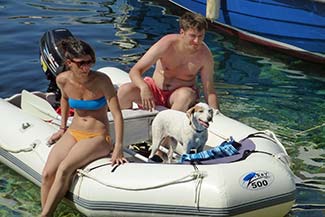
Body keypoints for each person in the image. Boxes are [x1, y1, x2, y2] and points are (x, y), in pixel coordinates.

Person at [40, 37, 127, 217]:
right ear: (69, 62)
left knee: (64, 168)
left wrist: (118, 147)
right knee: (48, 173)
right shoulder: (62, 80)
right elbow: (64, 99)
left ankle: (45, 215)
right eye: (81, 64)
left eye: (90, 62)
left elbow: (117, 114)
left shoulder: (102, 80)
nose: (86, 67)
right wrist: (62, 128)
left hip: (98, 136)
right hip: (74, 132)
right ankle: (45, 211)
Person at [117, 12, 219, 112]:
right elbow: (135, 71)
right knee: (124, 91)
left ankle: (169, 127)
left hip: (180, 96)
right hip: (156, 91)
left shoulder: (205, 55)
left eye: (200, 36)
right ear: (182, 33)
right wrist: (143, 88)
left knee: (185, 95)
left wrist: (216, 114)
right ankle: (124, 126)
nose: (197, 41)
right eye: (192, 36)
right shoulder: (166, 44)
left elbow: (209, 91)